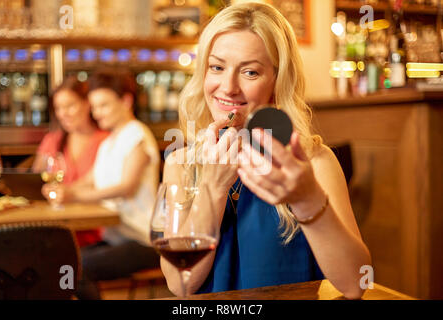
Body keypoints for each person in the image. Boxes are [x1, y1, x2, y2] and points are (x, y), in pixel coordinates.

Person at [161, 2, 372, 299]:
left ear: (277, 81)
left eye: (249, 72)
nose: (228, 87)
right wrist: (213, 187)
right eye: (217, 67)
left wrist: (307, 198)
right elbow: (180, 282)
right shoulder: (180, 163)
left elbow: (356, 284)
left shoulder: (313, 162)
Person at [42, 68, 161, 299]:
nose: (96, 113)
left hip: (143, 239)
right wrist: (63, 190)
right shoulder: (110, 141)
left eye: (104, 105)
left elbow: (126, 187)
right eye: (94, 106)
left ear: (126, 101)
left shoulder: (137, 135)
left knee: (75, 269)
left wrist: (72, 197)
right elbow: (90, 180)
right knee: (61, 262)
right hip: (116, 236)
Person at [33, 76, 109, 248]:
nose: (63, 113)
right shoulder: (53, 140)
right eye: (58, 108)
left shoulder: (106, 141)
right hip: (53, 227)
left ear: (87, 104)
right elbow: (35, 184)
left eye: (70, 106)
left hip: (93, 231)